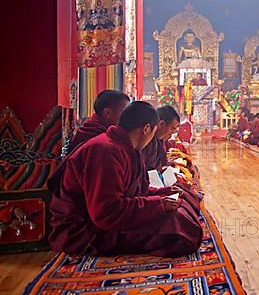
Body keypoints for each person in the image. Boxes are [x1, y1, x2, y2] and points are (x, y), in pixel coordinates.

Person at [49, 101, 202, 257]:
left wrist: (164, 192)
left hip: (107, 218)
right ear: (146, 129)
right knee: (178, 228)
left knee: (182, 202)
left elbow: (134, 190)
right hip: (83, 230)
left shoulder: (126, 147)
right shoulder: (105, 151)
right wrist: (158, 204)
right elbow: (106, 212)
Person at [141, 106, 180, 171]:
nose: (171, 135)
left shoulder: (159, 140)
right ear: (161, 124)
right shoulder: (146, 141)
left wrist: (165, 164)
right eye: (172, 129)